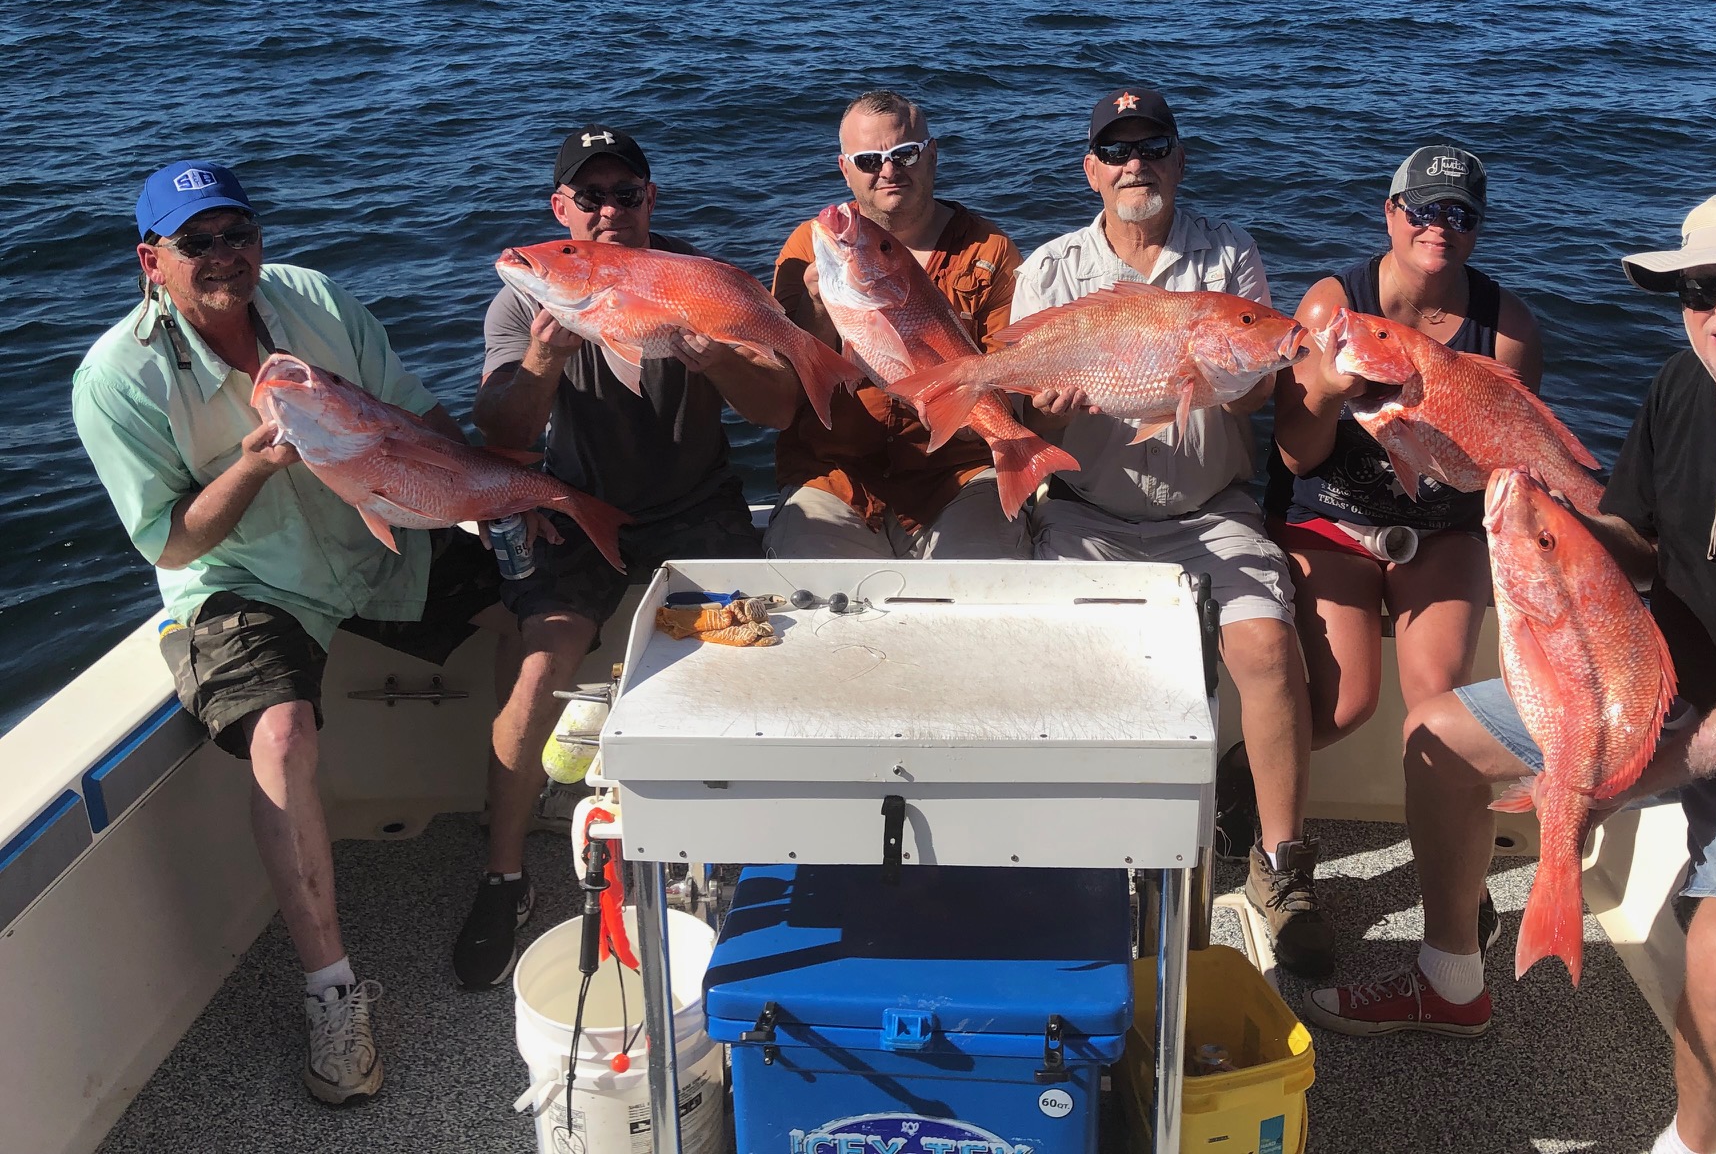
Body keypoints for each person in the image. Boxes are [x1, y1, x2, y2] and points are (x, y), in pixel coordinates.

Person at [1311, 192, 1716, 1154]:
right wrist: (1517, 509)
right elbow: (1638, 550)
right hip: (1660, 684)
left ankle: (1692, 1143)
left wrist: (1642, 769)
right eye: (1703, 290)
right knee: (1437, 737)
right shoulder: (1681, 389)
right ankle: (1451, 980)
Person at [72, 160, 513, 1105]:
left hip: (373, 535)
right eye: (198, 243)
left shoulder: (311, 298)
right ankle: (333, 997)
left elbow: (411, 412)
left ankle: (525, 860)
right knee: (281, 734)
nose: (226, 257)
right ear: (152, 260)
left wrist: (499, 485)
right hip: (239, 578)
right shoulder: (114, 378)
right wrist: (260, 466)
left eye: (240, 234)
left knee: (534, 606)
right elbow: (173, 537)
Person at [470, 126, 799, 987]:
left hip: (699, 505)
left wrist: (718, 359)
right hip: (578, 510)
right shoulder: (526, 297)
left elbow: (778, 412)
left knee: (738, 662)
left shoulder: (699, 279)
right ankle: (503, 875)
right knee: (539, 666)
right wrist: (545, 353)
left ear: (652, 200)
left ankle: (735, 861)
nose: (609, 210)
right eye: (591, 198)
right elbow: (500, 431)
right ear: (562, 211)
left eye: (627, 194)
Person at [1014, 86, 1331, 977]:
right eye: (1116, 151)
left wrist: (1237, 364)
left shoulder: (1228, 255)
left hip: (1212, 511)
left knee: (1268, 650)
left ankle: (1280, 865)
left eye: (1152, 146)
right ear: (1091, 170)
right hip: (1088, 514)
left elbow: (1266, 371)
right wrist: (1041, 400)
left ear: (1179, 159)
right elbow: (1028, 404)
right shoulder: (1050, 269)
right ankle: (1088, 852)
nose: (1134, 164)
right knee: (1081, 665)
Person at [1269, 146, 1542, 948]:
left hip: (1446, 524)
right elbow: (1293, 456)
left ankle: (1451, 882)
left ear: (1477, 229)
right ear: (1390, 214)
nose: (1438, 228)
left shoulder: (1509, 326)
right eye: (1421, 210)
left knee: (1439, 705)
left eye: (1458, 214)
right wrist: (1325, 389)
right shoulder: (1334, 307)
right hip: (1331, 518)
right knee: (1347, 702)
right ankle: (1254, 788)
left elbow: (1503, 462)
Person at [767, 89, 1028, 559]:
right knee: (808, 607)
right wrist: (819, 308)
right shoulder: (812, 246)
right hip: (835, 477)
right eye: (869, 160)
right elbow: (782, 388)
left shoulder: (990, 251)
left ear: (932, 156)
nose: (888, 171)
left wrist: (966, 419)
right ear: (844, 168)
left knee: (984, 594)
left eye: (904, 154)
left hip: (955, 475)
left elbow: (1009, 376)